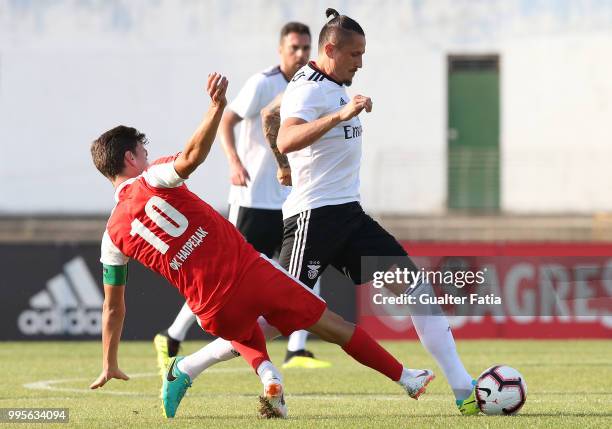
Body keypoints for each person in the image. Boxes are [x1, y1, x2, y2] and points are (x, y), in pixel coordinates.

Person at [88, 72, 434, 419]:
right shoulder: (153, 177)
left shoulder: (111, 237)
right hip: (251, 272)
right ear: (131, 158)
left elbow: (113, 308)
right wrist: (216, 107)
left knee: (246, 331)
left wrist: (109, 362)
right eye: (143, 153)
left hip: (210, 308)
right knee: (332, 325)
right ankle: (406, 379)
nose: (148, 158)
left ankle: (266, 376)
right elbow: (192, 157)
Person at [274, 9, 479, 415]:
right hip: (313, 219)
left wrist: (285, 169)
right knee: (276, 313)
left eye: (363, 54)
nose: (361, 62)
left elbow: (270, 120)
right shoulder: (309, 89)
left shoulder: (331, 83)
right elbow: (285, 135)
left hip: (348, 216)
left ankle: (464, 390)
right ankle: (187, 366)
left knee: (416, 288)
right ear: (330, 48)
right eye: (355, 54)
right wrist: (339, 116)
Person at [153, 22, 329, 373]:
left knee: (308, 262)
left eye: (306, 48)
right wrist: (233, 162)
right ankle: (172, 335)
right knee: (225, 275)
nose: (300, 54)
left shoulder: (309, 86)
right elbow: (227, 120)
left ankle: (297, 349)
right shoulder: (264, 83)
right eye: (294, 47)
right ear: (280, 50)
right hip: (251, 198)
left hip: (287, 197)